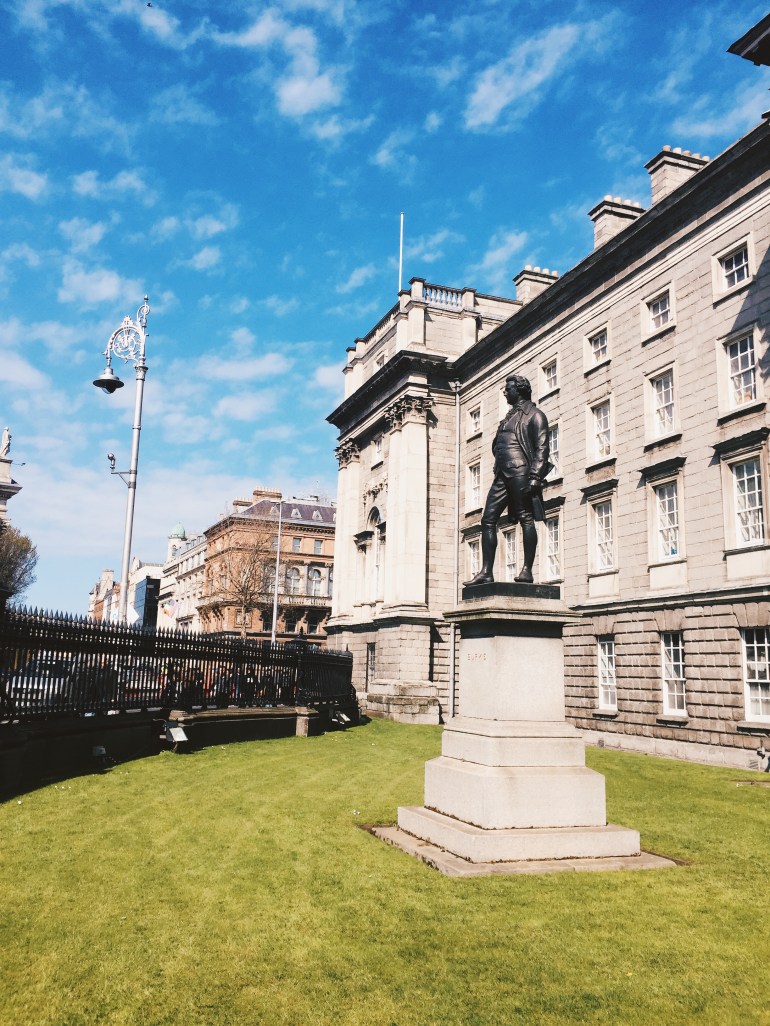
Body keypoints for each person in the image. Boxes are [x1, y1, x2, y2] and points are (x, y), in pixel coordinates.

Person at [465, 373, 552, 586]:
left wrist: (535, 475)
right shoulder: (508, 417)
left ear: (520, 389)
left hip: (521, 472)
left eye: (509, 388)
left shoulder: (535, 415)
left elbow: (542, 447)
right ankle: (486, 572)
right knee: (487, 520)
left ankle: (527, 571)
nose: (505, 391)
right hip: (502, 474)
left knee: (526, 518)